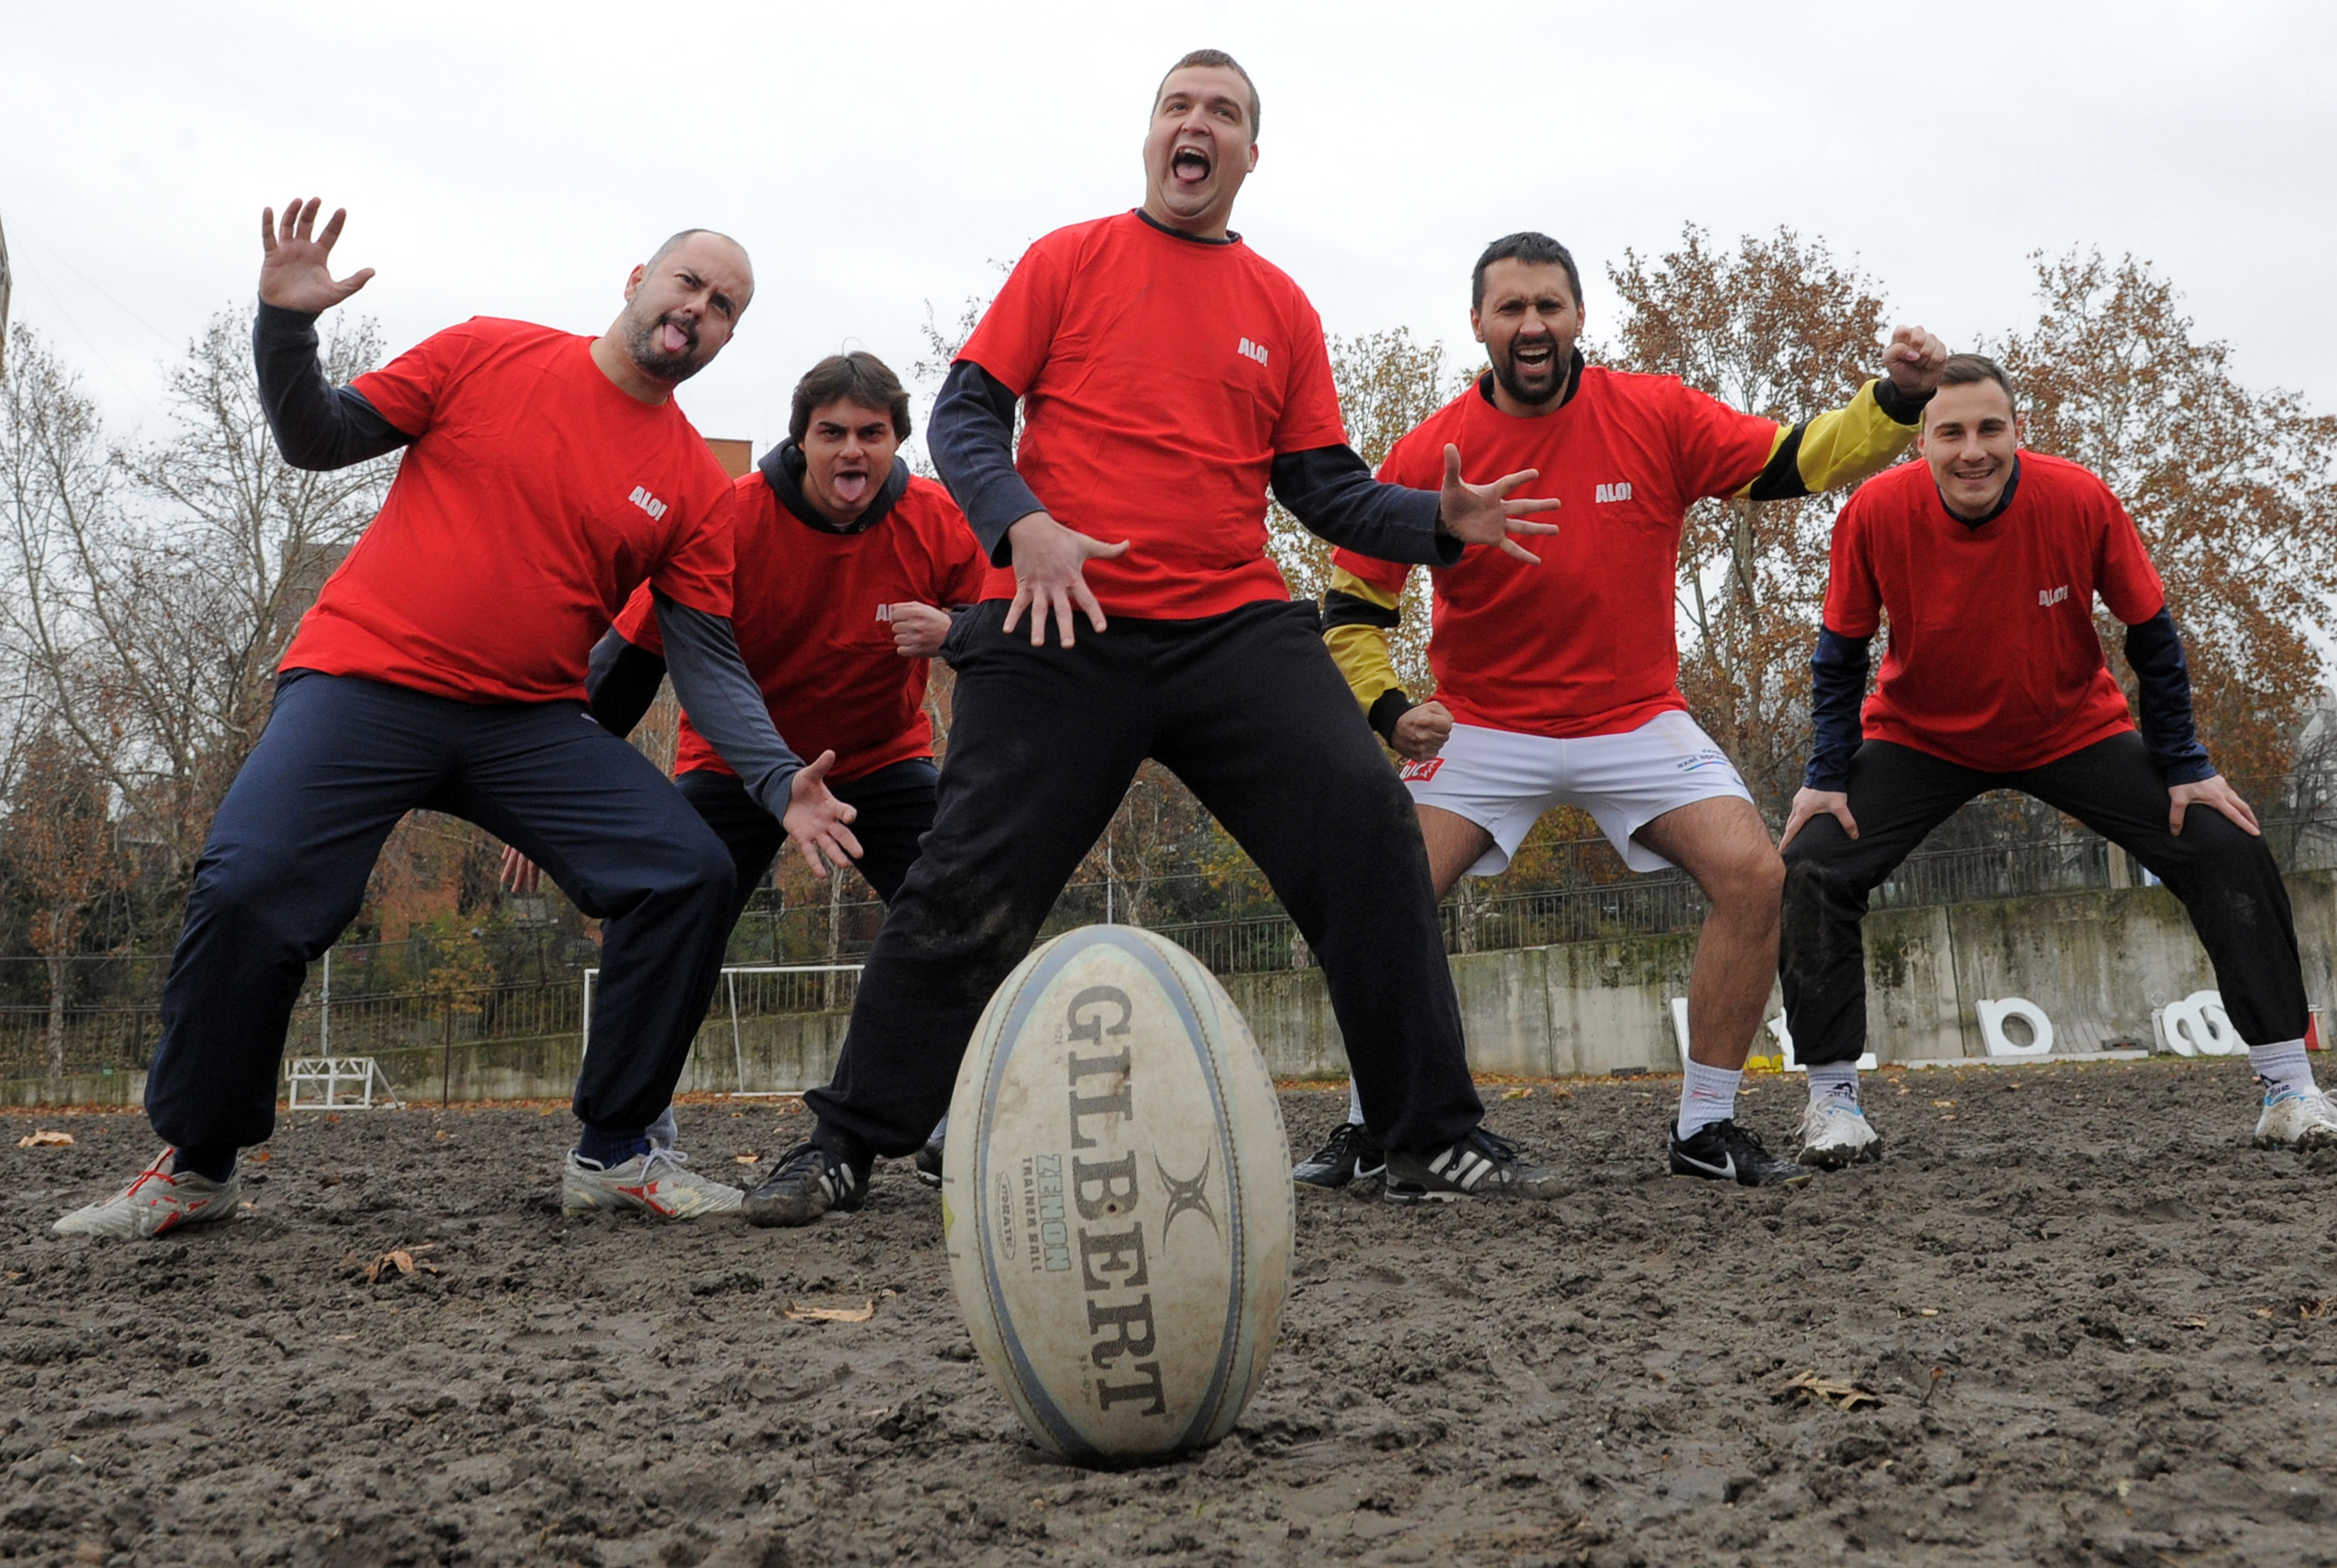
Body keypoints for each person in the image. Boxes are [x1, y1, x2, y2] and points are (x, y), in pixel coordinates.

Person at [743, 48, 1565, 1226]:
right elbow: (966, 412)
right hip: (1061, 619)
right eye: (1179, 105)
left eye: (1222, 112)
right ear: (1150, 137)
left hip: (1231, 627)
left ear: (1249, 154)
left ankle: (1427, 1134)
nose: (1197, 123)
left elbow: (1323, 487)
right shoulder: (1069, 260)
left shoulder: (1281, 305)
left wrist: (1438, 521)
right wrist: (1021, 523)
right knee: (964, 881)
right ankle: (843, 1145)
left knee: (1369, 824)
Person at [54, 199, 859, 1240]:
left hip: (526, 720)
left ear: (727, 337)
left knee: (686, 870)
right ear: (637, 281)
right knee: (249, 887)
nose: (699, 309)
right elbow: (315, 437)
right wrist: (286, 327)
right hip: (363, 684)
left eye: (725, 306)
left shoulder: (696, 488)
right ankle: (198, 1166)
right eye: (688, 283)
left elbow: (704, 658)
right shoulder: (488, 353)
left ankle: (617, 1152)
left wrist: (776, 778)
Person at [1303, 231, 1945, 1192]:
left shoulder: (1653, 412)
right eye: (1510, 307)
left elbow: (1793, 459)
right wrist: (1390, 709)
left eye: (1547, 305)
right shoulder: (1432, 450)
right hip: (1482, 727)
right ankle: (1372, 1124)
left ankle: (1705, 1127)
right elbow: (1353, 607)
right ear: (1476, 323)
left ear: (1578, 317)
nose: (1530, 324)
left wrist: (1893, 400)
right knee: (1378, 891)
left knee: (1753, 875)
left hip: (1635, 719)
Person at [1776, 353, 2337, 1164]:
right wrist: (1825, 777)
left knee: (2224, 842)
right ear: (1922, 442)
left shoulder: (2078, 497)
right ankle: (1834, 1105)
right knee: (1812, 862)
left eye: (1990, 429)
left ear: (2018, 431)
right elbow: (1840, 655)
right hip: (1922, 736)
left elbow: (2151, 636)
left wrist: (2185, 763)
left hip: (2069, 728)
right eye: (1951, 433)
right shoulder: (1873, 512)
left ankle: (2290, 1091)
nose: (1972, 450)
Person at [506, 351, 984, 1179]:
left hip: (881, 760)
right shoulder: (729, 516)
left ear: (896, 442)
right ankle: (631, 1123)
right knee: (667, 904)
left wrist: (960, 631)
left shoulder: (938, 521)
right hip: (736, 767)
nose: (852, 451)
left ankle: (955, 1108)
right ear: (800, 441)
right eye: (831, 432)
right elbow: (629, 661)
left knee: (968, 902)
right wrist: (547, 788)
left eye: (871, 434)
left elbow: (1006, 639)